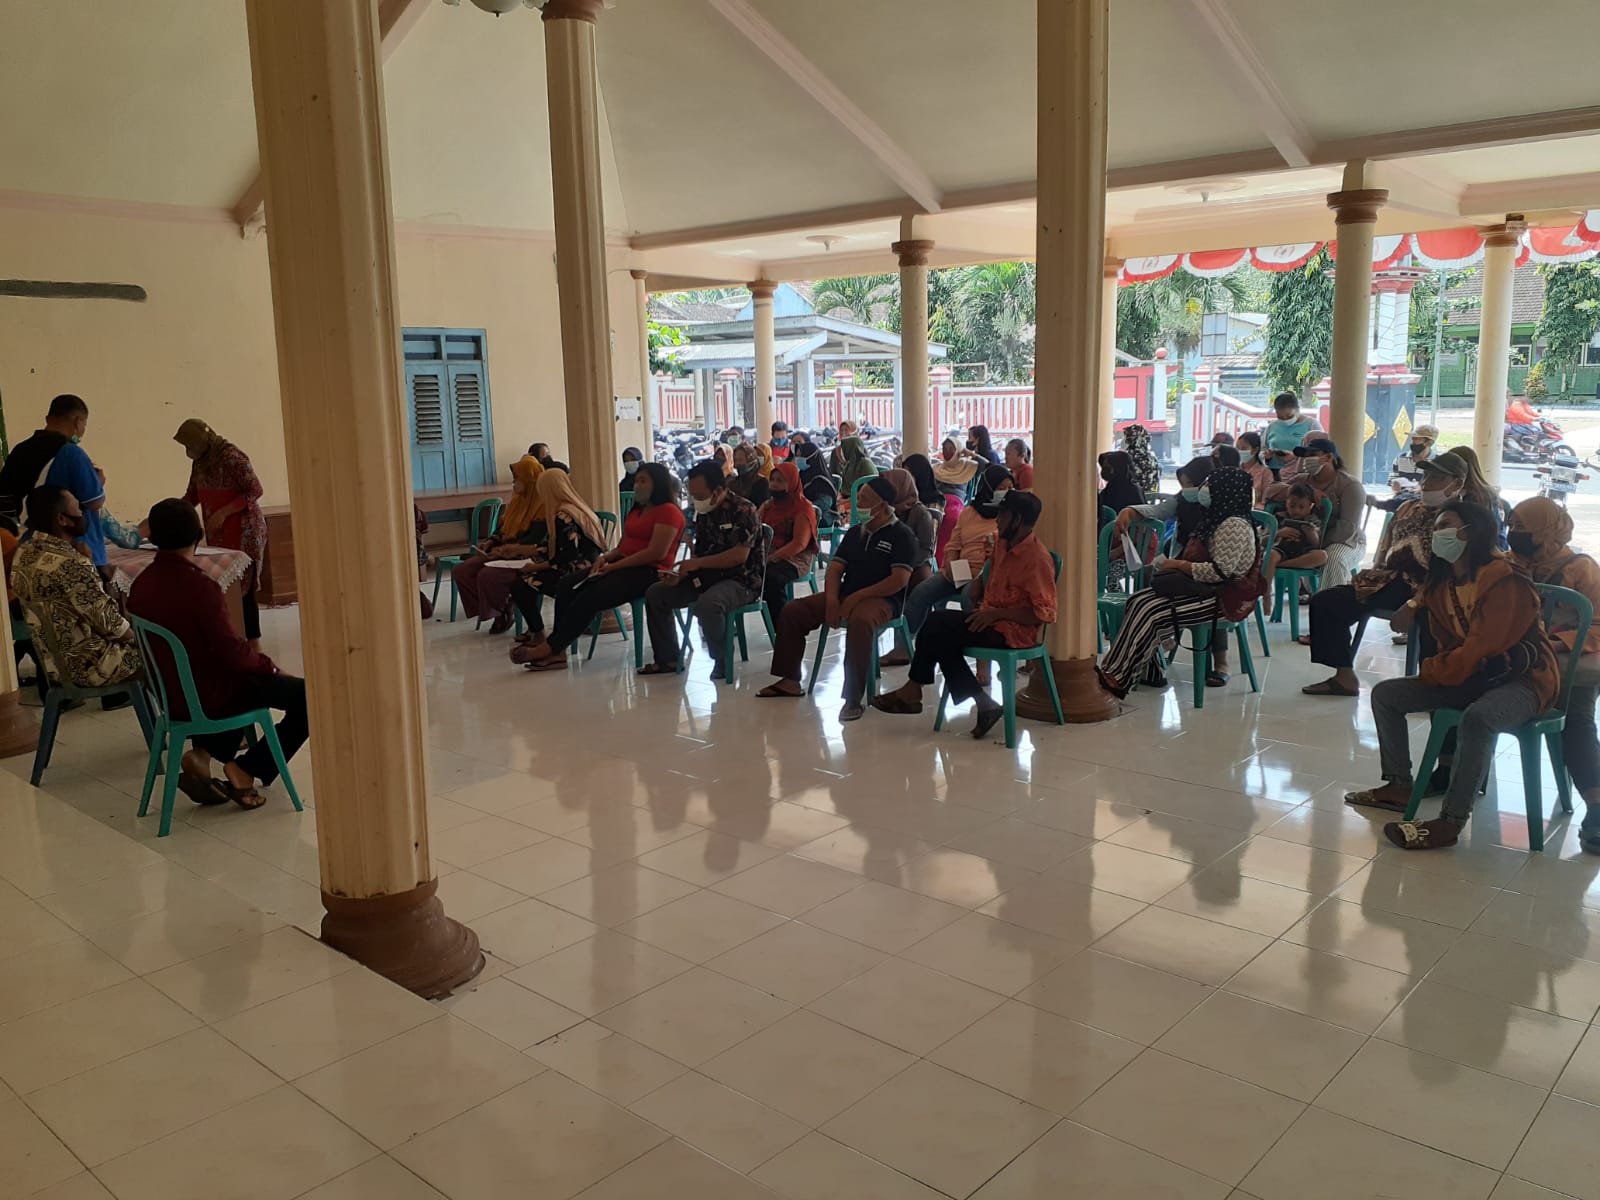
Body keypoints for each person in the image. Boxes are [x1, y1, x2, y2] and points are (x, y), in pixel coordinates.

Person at [1346, 501, 1560, 851]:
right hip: (1472, 676)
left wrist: (1435, 671)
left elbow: (1483, 648)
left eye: (1445, 525)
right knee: (1387, 695)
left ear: (1472, 532)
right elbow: (1442, 631)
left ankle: (1450, 822)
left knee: (1479, 718)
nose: (1437, 534)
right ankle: (1399, 785)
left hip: (1522, 681)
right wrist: (1416, 612)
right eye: (1436, 527)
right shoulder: (1443, 581)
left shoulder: (1505, 579)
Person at [129, 498, 309, 811]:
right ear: (198, 534)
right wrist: (271, 669)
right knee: (308, 697)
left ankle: (201, 755)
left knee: (234, 678)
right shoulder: (199, 587)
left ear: (153, 537)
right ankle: (247, 769)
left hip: (171, 697)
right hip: (209, 697)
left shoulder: (140, 585)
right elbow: (232, 652)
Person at [872, 489, 1057, 737]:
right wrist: (979, 581)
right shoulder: (1003, 544)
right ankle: (976, 702)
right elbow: (990, 570)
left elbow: (1043, 614)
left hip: (1013, 632)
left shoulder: (1037, 559)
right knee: (939, 634)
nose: (997, 520)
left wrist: (997, 615)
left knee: (937, 626)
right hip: (989, 620)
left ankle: (917, 691)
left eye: (1002, 515)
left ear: (1018, 520)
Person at [758, 475, 917, 721]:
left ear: (883, 505)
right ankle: (789, 680)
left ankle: (852, 698)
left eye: (864, 499)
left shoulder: (902, 535)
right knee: (794, 611)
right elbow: (834, 569)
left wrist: (857, 598)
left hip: (884, 599)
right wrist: (833, 600)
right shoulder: (855, 533)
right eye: (858, 498)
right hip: (847, 593)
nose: (858, 504)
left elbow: (899, 580)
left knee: (861, 621)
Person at [1301, 455, 1461, 698]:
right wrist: (1375, 571)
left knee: (1433, 619)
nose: (1427, 483)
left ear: (1457, 484)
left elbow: (1453, 570)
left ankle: (1432, 688)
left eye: (1437, 478)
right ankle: (1344, 677)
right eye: (1426, 475)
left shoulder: (1459, 517)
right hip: (1392, 580)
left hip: (1434, 588)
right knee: (1326, 602)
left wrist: (1414, 603)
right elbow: (1386, 548)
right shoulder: (1407, 507)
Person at [1097, 467, 1262, 697]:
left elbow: (1219, 573)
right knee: (1137, 600)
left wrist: (1177, 565)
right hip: (1204, 589)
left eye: (1211, 485)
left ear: (1225, 491)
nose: (1205, 490)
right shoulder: (1216, 518)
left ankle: (1115, 677)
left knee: (1151, 610)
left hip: (1223, 597)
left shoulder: (1233, 525)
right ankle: (1148, 671)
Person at [513, 462, 685, 674]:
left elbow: (655, 553)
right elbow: (624, 545)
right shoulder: (638, 510)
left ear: (658, 484)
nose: (637, 485)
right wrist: (605, 558)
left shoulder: (668, 511)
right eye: (637, 480)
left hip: (649, 571)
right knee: (567, 584)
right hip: (623, 565)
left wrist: (615, 566)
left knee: (591, 595)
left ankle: (551, 647)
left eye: (643, 481)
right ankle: (557, 650)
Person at [1506, 497, 1600, 852]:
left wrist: (1558, 642)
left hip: (1568, 665)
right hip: (1515, 662)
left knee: (1576, 719)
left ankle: (1596, 805)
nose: (1514, 534)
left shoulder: (1582, 569)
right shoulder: (1507, 564)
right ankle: (1450, 774)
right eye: (1511, 526)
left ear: (1547, 531)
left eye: (1523, 528)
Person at [641, 460, 765, 679]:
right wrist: (681, 574)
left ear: (717, 491)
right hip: (707, 577)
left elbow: (739, 556)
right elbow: (700, 554)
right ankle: (667, 658)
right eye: (693, 496)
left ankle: (721, 659)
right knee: (656, 593)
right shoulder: (704, 512)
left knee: (709, 604)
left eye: (699, 495)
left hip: (741, 580)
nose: (696, 501)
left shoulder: (744, 510)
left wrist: (698, 564)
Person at [12, 486, 142, 691]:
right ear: (62, 519)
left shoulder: (25, 552)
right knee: (163, 653)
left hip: (53, 666)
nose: (83, 513)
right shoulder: (70, 563)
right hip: (90, 667)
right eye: (77, 508)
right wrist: (142, 639)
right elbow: (111, 625)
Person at [174, 419, 269, 649]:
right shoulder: (200, 462)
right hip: (219, 533)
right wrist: (170, 512)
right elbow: (192, 495)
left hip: (244, 531)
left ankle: (253, 646)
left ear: (203, 441)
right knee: (224, 586)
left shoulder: (232, 457)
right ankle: (232, 641)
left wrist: (224, 512)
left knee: (243, 589)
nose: (188, 451)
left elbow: (255, 490)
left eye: (190, 445)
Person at [0, 394, 108, 577]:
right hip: (76, 550)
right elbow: (95, 502)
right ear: (78, 422)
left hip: (30, 547)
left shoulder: (20, 450)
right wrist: (99, 482)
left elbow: (5, 497)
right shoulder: (72, 454)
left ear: (48, 419)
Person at [904, 464, 1009, 640]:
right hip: (960, 569)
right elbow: (953, 545)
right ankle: (905, 644)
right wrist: (952, 567)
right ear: (988, 488)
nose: (1006, 492)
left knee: (969, 597)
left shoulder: (1008, 516)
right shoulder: (969, 513)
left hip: (985, 574)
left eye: (1009, 488)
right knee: (921, 593)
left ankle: (970, 644)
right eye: (1001, 488)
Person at [507, 469, 607, 646]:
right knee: (526, 580)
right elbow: (559, 547)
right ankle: (535, 630)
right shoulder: (578, 508)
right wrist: (523, 551)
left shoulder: (563, 516)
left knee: (520, 584)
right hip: (589, 567)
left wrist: (534, 567)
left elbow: (565, 558)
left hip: (577, 575)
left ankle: (538, 632)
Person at [452, 456, 547, 632]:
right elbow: (503, 529)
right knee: (463, 571)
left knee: (487, 575)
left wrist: (506, 550)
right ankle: (500, 608)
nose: (514, 483)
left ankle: (502, 611)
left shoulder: (542, 506)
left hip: (526, 557)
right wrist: (490, 543)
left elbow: (534, 541)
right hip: (504, 552)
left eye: (517, 479)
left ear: (529, 479)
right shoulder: (517, 501)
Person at [1290, 437, 1366, 591]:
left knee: (1333, 558)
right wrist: (1309, 491)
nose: (1307, 460)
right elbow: (1271, 490)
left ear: (1329, 457)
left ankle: (1330, 603)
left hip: (1348, 542)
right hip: (1309, 541)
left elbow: (1347, 528)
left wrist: (1317, 544)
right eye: (1305, 456)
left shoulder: (1350, 485)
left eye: (1312, 455)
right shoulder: (1301, 481)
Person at [758, 461, 818, 623]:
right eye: (772, 480)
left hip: (795, 558)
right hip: (769, 553)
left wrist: (772, 558)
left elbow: (799, 544)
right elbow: (755, 528)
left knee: (771, 578)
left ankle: (783, 625)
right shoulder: (769, 505)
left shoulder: (802, 508)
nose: (774, 484)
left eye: (780, 481)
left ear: (792, 483)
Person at [904, 452, 961, 565]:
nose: (906, 480)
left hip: (920, 563)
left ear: (919, 476)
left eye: (908, 475)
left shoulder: (933, 505)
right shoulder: (905, 499)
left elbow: (928, 547)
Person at [1268, 483, 1327, 579]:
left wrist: (1311, 533)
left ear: (1310, 506)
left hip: (1303, 553)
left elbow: (1317, 544)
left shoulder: (1312, 520)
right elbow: (1263, 541)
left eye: (1301, 507)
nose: (1296, 510)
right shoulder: (1278, 518)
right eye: (1292, 506)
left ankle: (1282, 565)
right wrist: (1278, 533)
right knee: (1270, 555)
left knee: (1322, 556)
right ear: (1286, 503)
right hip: (1281, 550)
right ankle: (1266, 588)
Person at [1262, 391, 1322, 474]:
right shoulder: (1272, 426)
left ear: (1298, 409)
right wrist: (1266, 456)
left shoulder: (1312, 425)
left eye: (1289, 416)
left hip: (1300, 472)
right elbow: (1262, 449)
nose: (1285, 419)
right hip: (1273, 472)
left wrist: (1296, 458)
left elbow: (1321, 453)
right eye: (1280, 417)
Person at [1385, 423, 1438, 501]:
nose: (1413, 442)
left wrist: (1421, 489)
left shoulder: (1438, 463)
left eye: (1417, 439)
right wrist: (1396, 486)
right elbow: (1392, 480)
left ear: (1429, 443)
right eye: (1413, 438)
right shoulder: (1400, 458)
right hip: (1401, 499)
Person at [1096, 452, 1144, 529]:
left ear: (1120, 468)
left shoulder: (1132, 491)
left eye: (1109, 467)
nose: (1105, 470)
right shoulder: (1109, 489)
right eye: (1104, 467)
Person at [837, 435, 879, 511]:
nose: (842, 452)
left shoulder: (866, 464)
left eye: (844, 449)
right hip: (848, 500)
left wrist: (846, 501)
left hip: (862, 502)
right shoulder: (849, 465)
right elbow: (844, 487)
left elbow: (870, 490)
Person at [1121, 424, 1162, 496]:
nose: (1124, 440)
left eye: (1126, 437)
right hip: (1149, 498)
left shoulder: (1127, 458)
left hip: (1131, 498)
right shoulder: (1152, 458)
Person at [727, 442, 771, 508]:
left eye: (741, 460)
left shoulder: (762, 483)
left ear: (751, 461)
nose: (737, 464)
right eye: (736, 460)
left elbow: (760, 508)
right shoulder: (733, 481)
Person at [1235, 431, 1273, 502]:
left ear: (1255, 450)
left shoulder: (1265, 473)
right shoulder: (1234, 470)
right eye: (1237, 448)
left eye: (1243, 448)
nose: (1239, 451)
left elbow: (1265, 500)